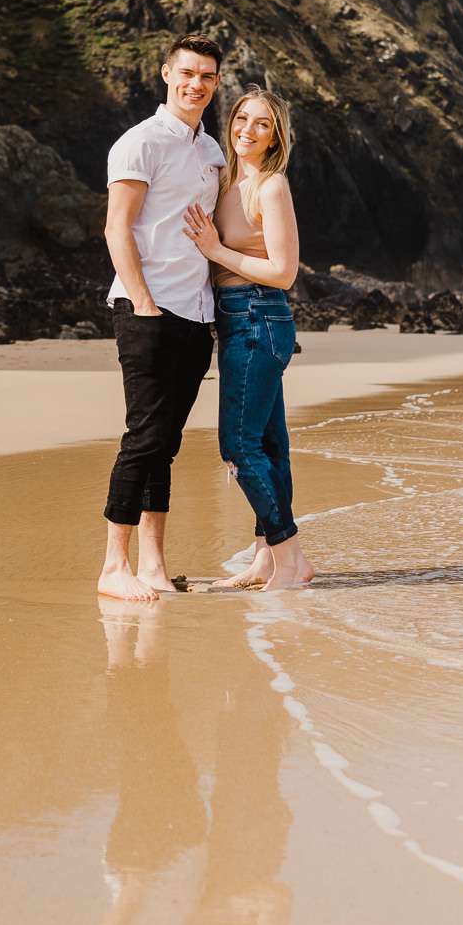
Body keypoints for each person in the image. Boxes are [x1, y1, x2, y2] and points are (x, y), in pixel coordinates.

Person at [98, 35, 226, 603]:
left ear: (216, 84)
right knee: (143, 437)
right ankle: (113, 567)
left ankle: (153, 565)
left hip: (197, 315)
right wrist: (143, 303)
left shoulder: (212, 153)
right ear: (166, 74)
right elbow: (116, 228)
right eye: (187, 73)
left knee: (165, 445)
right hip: (147, 310)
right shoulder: (140, 143)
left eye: (207, 77)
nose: (195, 84)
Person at [183, 89, 315, 591]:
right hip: (235, 319)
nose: (248, 130)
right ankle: (265, 558)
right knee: (269, 444)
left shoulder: (271, 186)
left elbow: (284, 272)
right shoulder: (222, 177)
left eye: (263, 124)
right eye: (241, 119)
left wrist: (217, 250)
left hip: (260, 315)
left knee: (237, 446)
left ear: (276, 135)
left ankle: (290, 557)